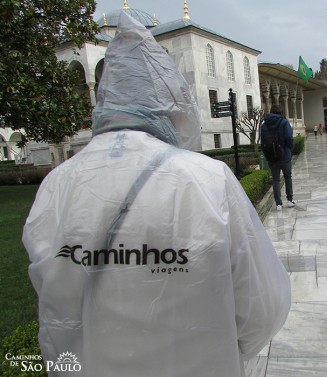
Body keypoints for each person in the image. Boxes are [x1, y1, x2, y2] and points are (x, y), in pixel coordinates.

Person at [22, 12, 291, 377]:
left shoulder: (57, 186)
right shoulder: (208, 180)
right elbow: (263, 308)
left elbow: (54, 303)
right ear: (169, 99)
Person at [261, 104, 296, 210]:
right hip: (284, 155)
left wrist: (267, 155)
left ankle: (278, 204)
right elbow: (289, 137)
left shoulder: (264, 125)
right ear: (281, 112)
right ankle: (289, 200)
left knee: (276, 179)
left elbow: (262, 143)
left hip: (272, 157)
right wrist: (289, 148)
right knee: (287, 176)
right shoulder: (284, 122)